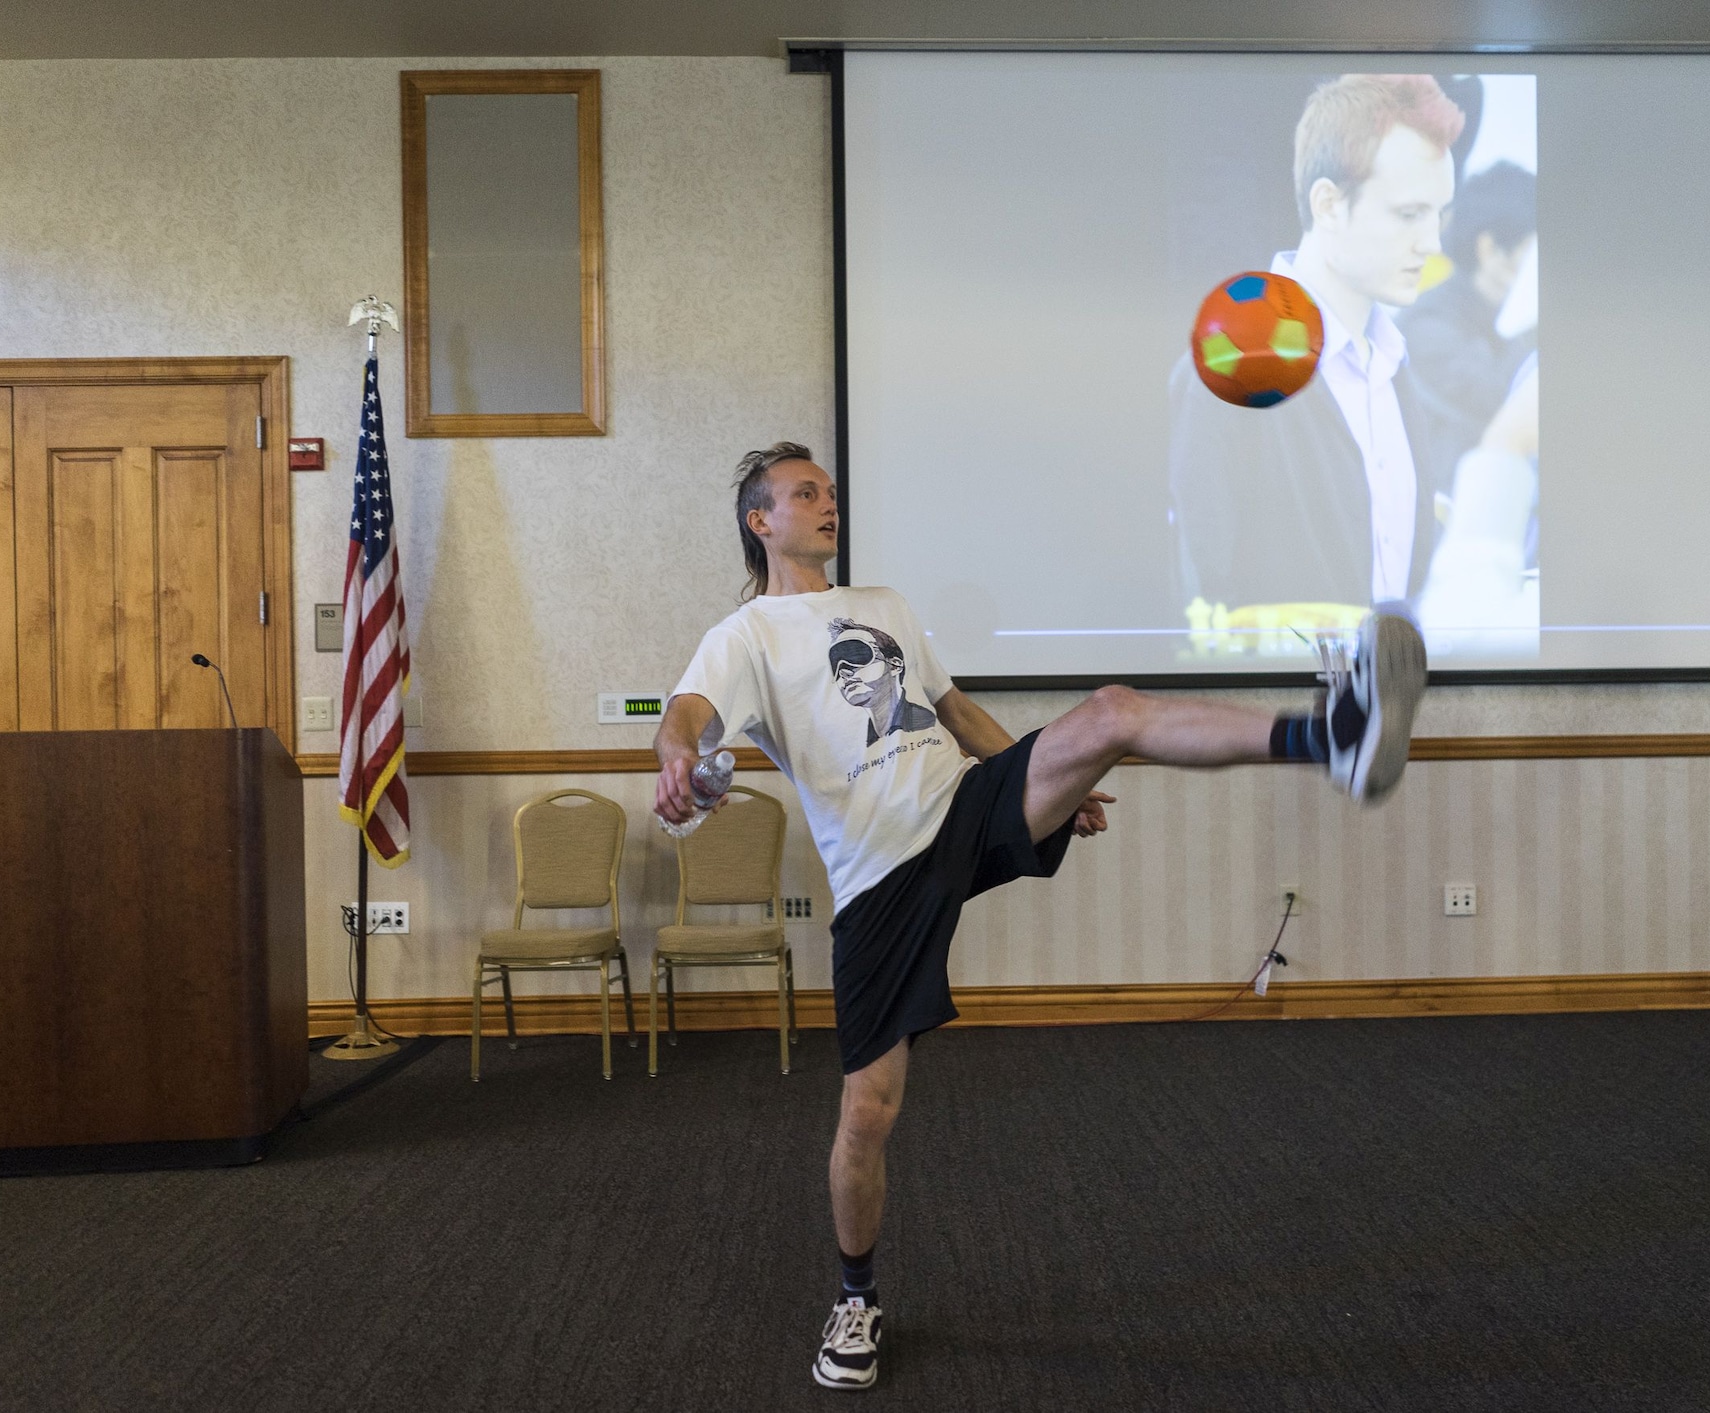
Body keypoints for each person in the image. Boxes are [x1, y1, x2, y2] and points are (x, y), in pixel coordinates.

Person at [654, 442, 1428, 1392]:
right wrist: (676, 757)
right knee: (868, 1110)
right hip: (878, 880)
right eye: (803, 493)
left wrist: (1051, 779)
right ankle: (856, 1296)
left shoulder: (886, 605)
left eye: (829, 491)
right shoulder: (746, 636)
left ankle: (1336, 736)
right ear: (758, 520)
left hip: (966, 803)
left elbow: (956, 711)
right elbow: (684, 715)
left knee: (1108, 712)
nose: (828, 503)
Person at [1170, 73, 1465, 622]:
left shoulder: (1393, 363)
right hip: (1269, 702)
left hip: (1390, 697)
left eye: (1439, 214)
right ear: (1328, 204)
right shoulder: (1228, 366)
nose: (1432, 242)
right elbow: (1205, 597)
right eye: (1408, 214)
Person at [1398, 160, 1538, 500]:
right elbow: (1506, 402)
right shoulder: (1424, 328)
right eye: (1534, 253)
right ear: (1490, 249)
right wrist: (1531, 318)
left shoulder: (1495, 320)